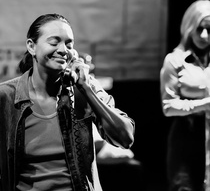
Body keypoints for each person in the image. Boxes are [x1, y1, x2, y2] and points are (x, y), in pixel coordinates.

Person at [0, 13, 135, 191]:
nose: (64, 49)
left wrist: (86, 88)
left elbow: (125, 138)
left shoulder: (84, 90)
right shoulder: (7, 96)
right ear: (31, 47)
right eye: (54, 42)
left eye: (69, 44)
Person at [160, 0, 210, 191]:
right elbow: (168, 107)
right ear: (189, 27)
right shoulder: (175, 60)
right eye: (199, 29)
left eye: (209, 29)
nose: (204, 35)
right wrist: (205, 104)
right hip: (188, 135)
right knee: (184, 186)